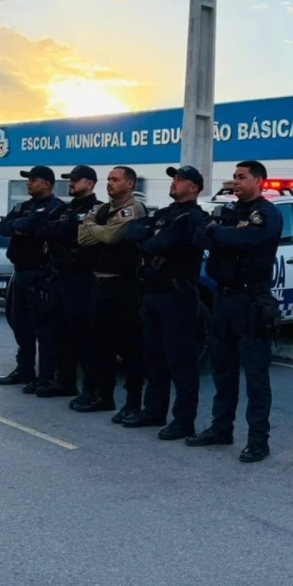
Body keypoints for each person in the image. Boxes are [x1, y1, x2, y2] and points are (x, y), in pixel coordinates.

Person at [188, 160, 281, 462]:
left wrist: (220, 232)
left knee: (255, 375)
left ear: (259, 180)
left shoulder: (267, 213)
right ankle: (220, 428)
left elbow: (245, 239)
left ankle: (258, 440)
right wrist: (220, 229)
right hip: (223, 300)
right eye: (234, 177)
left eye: (242, 177)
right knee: (222, 370)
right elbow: (199, 237)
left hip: (251, 301)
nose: (235, 182)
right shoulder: (227, 211)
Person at [121, 165, 207, 434]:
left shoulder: (194, 217)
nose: (174, 183)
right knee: (153, 357)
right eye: (173, 179)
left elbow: (158, 243)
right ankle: (154, 411)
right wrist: (152, 234)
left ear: (193, 187)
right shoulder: (165, 214)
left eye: (180, 180)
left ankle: (184, 420)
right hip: (151, 293)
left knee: (180, 361)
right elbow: (132, 233)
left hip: (176, 296)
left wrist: (153, 235)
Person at [72, 165, 146, 421]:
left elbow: (114, 236)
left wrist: (94, 227)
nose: (110, 183)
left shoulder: (133, 209)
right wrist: (97, 228)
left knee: (128, 347)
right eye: (109, 180)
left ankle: (133, 402)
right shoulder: (103, 209)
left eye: (115, 180)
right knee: (99, 345)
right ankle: (103, 395)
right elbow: (83, 238)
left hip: (123, 285)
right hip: (100, 283)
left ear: (130, 184)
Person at [0, 166, 64, 391]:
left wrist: (23, 226)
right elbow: (4, 227)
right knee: (19, 323)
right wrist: (20, 227)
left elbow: (34, 227)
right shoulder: (24, 206)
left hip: (41, 274)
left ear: (46, 183)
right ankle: (24, 369)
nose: (28, 183)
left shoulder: (55, 208)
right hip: (21, 273)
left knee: (43, 328)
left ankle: (45, 376)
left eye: (33, 180)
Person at [36, 165, 101, 401]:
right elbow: (45, 229)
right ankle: (65, 382)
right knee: (60, 333)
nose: (71, 183)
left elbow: (75, 233)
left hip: (81, 277)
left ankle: (91, 389)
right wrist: (64, 230)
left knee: (83, 336)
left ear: (90, 183)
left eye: (76, 180)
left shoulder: (97, 208)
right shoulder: (66, 208)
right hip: (60, 276)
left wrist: (64, 230)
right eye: (70, 179)